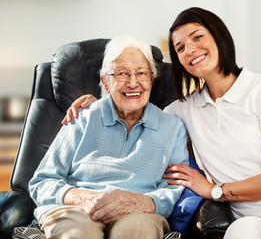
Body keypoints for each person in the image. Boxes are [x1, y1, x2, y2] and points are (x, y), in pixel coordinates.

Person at [62, 7, 261, 239]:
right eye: (180, 48)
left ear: (219, 37)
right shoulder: (183, 110)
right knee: (240, 232)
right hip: (248, 217)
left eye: (197, 37)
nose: (190, 49)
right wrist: (101, 104)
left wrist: (214, 190)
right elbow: (134, 115)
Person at [29, 36, 190, 239]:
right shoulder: (82, 117)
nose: (133, 83)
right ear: (106, 82)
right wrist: (84, 198)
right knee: (78, 234)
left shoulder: (173, 127)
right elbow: (42, 182)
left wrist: (144, 202)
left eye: (141, 73)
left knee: (137, 232)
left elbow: (175, 188)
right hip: (77, 211)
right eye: (122, 73)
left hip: (139, 211)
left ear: (151, 79)